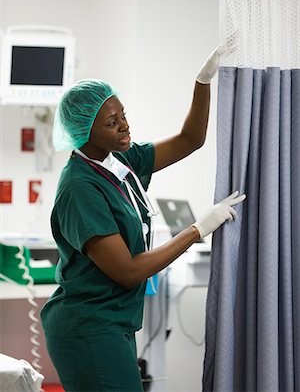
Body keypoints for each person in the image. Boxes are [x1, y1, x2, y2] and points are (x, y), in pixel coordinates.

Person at [40, 42, 246, 392]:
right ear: (84, 130)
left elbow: (189, 139)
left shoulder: (116, 161)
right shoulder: (80, 187)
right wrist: (197, 229)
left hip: (112, 322)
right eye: (111, 122)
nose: (125, 126)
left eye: (123, 115)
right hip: (88, 327)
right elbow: (127, 270)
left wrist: (202, 81)